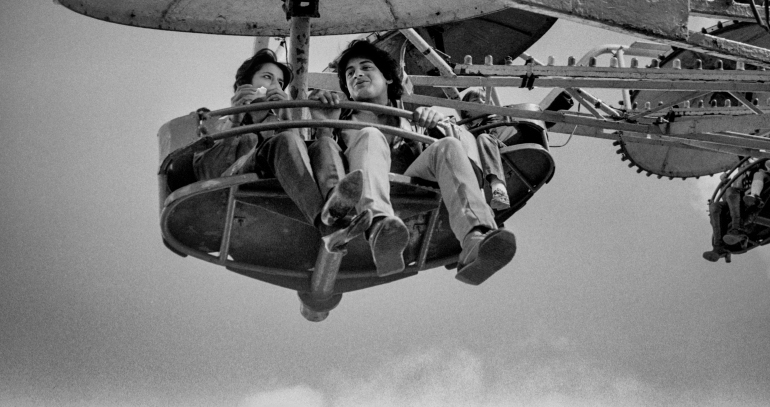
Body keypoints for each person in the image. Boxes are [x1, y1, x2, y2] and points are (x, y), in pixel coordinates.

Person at [310, 40, 516, 284]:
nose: (358, 75)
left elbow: (462, 159)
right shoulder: (342, 122)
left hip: (408, 182)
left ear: (387, 78)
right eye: (350, 73)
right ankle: (380, 228)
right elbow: (325, 158)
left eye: (366, 68)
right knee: (370, 135)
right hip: (363, 200)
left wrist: (438, 125)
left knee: (447, 146)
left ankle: (476, 238)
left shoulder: (412, 121)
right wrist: (324, 123)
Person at [168, 49, 365, 239]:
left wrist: (288, 118)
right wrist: (235, 120)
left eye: (280, 82)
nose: (275, 86)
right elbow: (210, 174)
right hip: (236, 189)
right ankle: (327, 224)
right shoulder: (217, 124)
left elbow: (298, 161)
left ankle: (337, 205)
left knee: (321, 144)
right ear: (245, 85)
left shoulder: (280, 125)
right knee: (285, 140)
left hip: (283, 190)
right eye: (268, 78)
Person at [458, 88, 511, 211]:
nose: (481, 102)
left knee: (483, 138)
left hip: (499, 150)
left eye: (484, 100)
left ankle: (499, 188)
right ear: (466, 110)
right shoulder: (469, 132)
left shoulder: (495, 118)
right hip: (482, 160)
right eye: (476, 100)